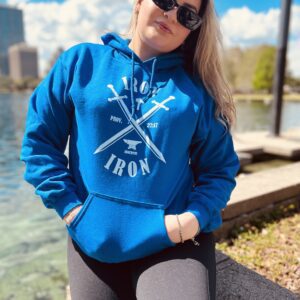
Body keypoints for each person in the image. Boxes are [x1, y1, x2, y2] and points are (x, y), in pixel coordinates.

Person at [20, 0, 240, 299]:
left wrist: (187, 222)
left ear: (193, 29)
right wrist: (71, 210)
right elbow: (40, 144)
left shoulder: (197, 93)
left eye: (187, 14)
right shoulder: (80, 63)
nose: (172, 14)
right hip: (94, 235)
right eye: (166, 1)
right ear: (138, 2)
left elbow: (219, 169)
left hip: (171, 241)